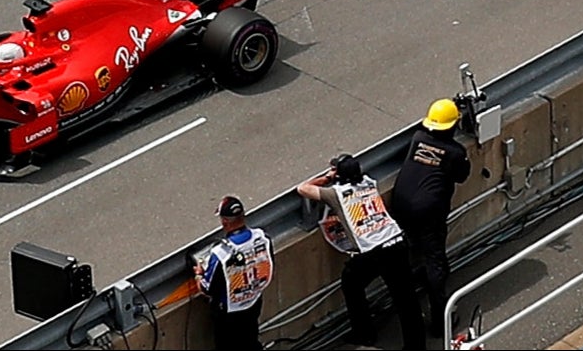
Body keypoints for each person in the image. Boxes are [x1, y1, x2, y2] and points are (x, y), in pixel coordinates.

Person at [298, 150, 419, 349]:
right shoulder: (370, 184)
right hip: (396, 242)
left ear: (338, 175)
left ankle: (364, 333)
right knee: (406, 300)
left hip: (373, 251)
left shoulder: (335, 194)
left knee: (351, 284)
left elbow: (303, 189)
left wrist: (328, 177)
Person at [386, 99, 470, 325]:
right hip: (427, 212)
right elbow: (462, 175)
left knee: (411, 250)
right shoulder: (455, 152)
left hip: (400, 205)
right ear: (453, 126)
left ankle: (414, 290)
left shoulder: (418, 138)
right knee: (435, 261)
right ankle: (440, 319)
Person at [192, 195, 275, 351]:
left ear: (224, 221)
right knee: (250, 340)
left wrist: (198, 274)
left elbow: (207, 289)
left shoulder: (221, 254)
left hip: (229, 313)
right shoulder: (262, 238)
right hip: (253, 302)